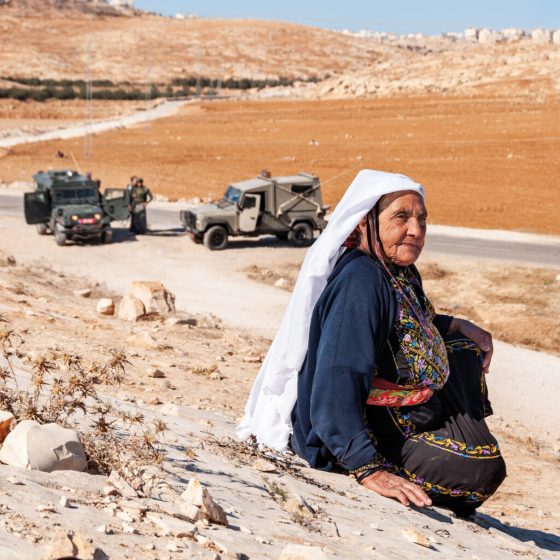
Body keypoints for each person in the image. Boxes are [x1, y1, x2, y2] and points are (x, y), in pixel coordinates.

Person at [238, 169, 506, 517]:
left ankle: (436, 430)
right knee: (483, 470)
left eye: (422, 219)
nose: (416, 230)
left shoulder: (396, 268)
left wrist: (455, 324)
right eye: (401, 217)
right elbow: (338, 377)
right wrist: (367, 466)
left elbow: (404, 322)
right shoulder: (361, 282)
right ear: (366, 222)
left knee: (463, 347)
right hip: (357, 430)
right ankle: (387, 453)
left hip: (403, 410)